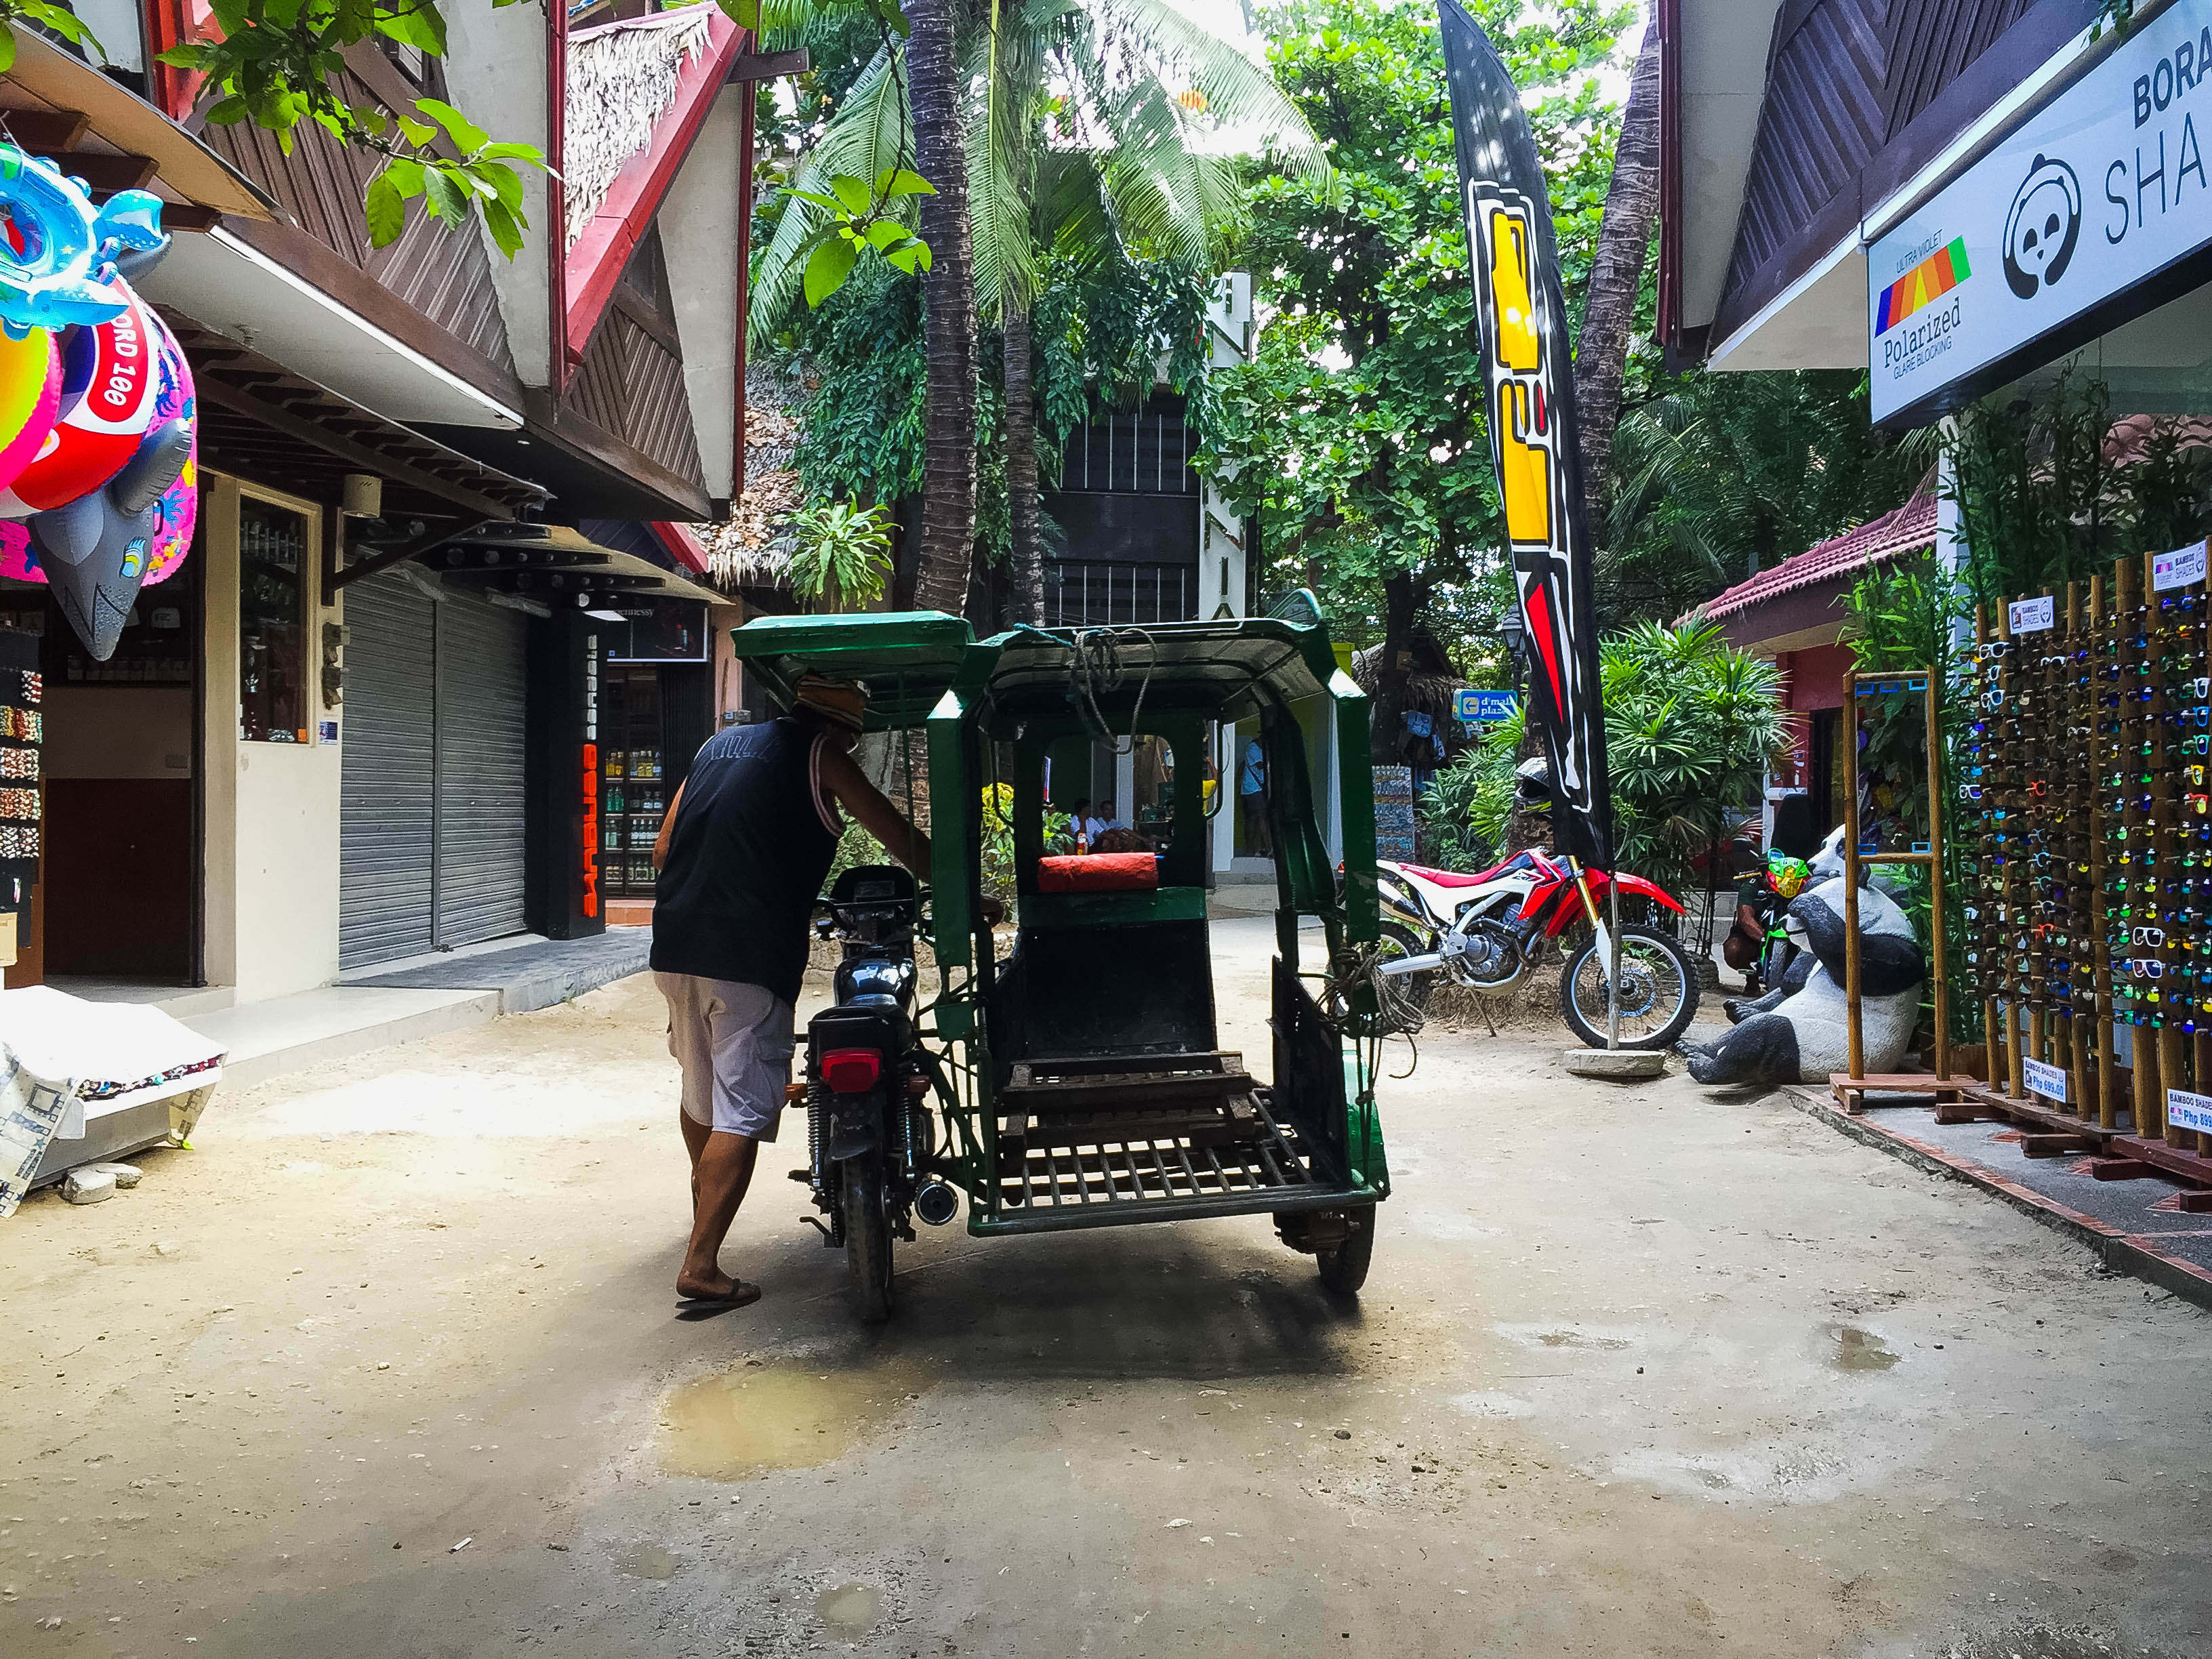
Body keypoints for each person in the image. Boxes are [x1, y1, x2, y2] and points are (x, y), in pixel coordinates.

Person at [649, 674, 929, 1307]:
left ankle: (704, 1217)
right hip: (748, 953)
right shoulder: (823, 754)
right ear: (845, 730)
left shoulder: (716, 747)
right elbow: (899, 838)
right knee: (744, 1108)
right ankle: (701, 1263)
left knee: (703, 1093)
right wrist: (966, 889)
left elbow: (665, 849)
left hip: (675, 944)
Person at [1238, 735, 1271, 858]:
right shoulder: (1252, 749)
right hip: (1253, 789)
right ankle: (1267, 848)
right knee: (1261, 817)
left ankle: (1255, 848)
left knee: (1254, 819)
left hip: (1257, 788)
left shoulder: (1260, 750)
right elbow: (1260, 766)